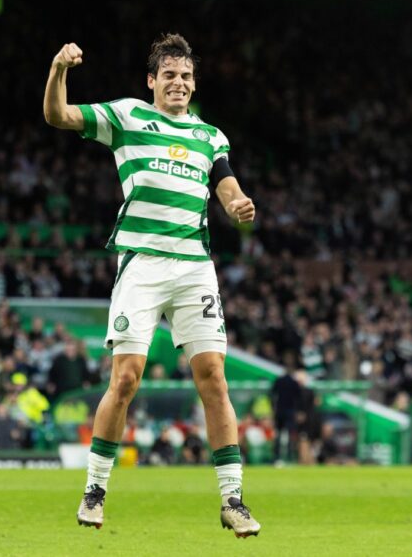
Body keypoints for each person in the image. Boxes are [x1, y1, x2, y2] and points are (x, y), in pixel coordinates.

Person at [44, 33, 260, 537]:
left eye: (186, 76)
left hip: (193, 266)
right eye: (169, 75)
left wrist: (237, 203)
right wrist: (59, 70)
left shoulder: (210, 136)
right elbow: (59, 116)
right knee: (126, 379)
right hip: (142, 264)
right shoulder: (127, 117)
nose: (179, 83)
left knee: (213, 377)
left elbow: (225, 183)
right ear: (152, 81)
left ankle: (233, 499)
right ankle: (95, 489)